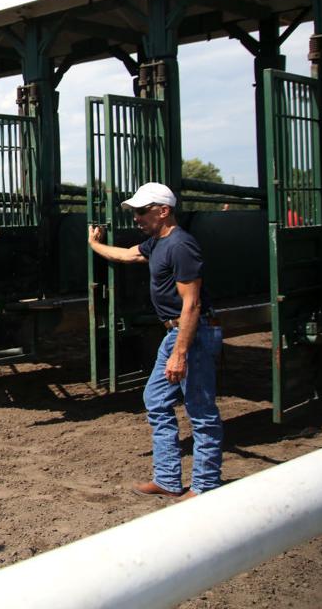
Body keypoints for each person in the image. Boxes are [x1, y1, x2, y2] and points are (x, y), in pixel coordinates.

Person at [88, 182, 223, 502]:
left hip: (193, 333)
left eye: (141, 212)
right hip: (176, 333)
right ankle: (167, 479)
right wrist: (94, 245)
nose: (135, 218)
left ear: (163, 211)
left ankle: (205, 485)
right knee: (156, 399)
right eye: (134, 212)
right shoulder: (156, 243)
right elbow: (126, 255)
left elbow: (192, 305)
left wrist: (180, 353)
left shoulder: (181, 246)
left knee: (201, 410)